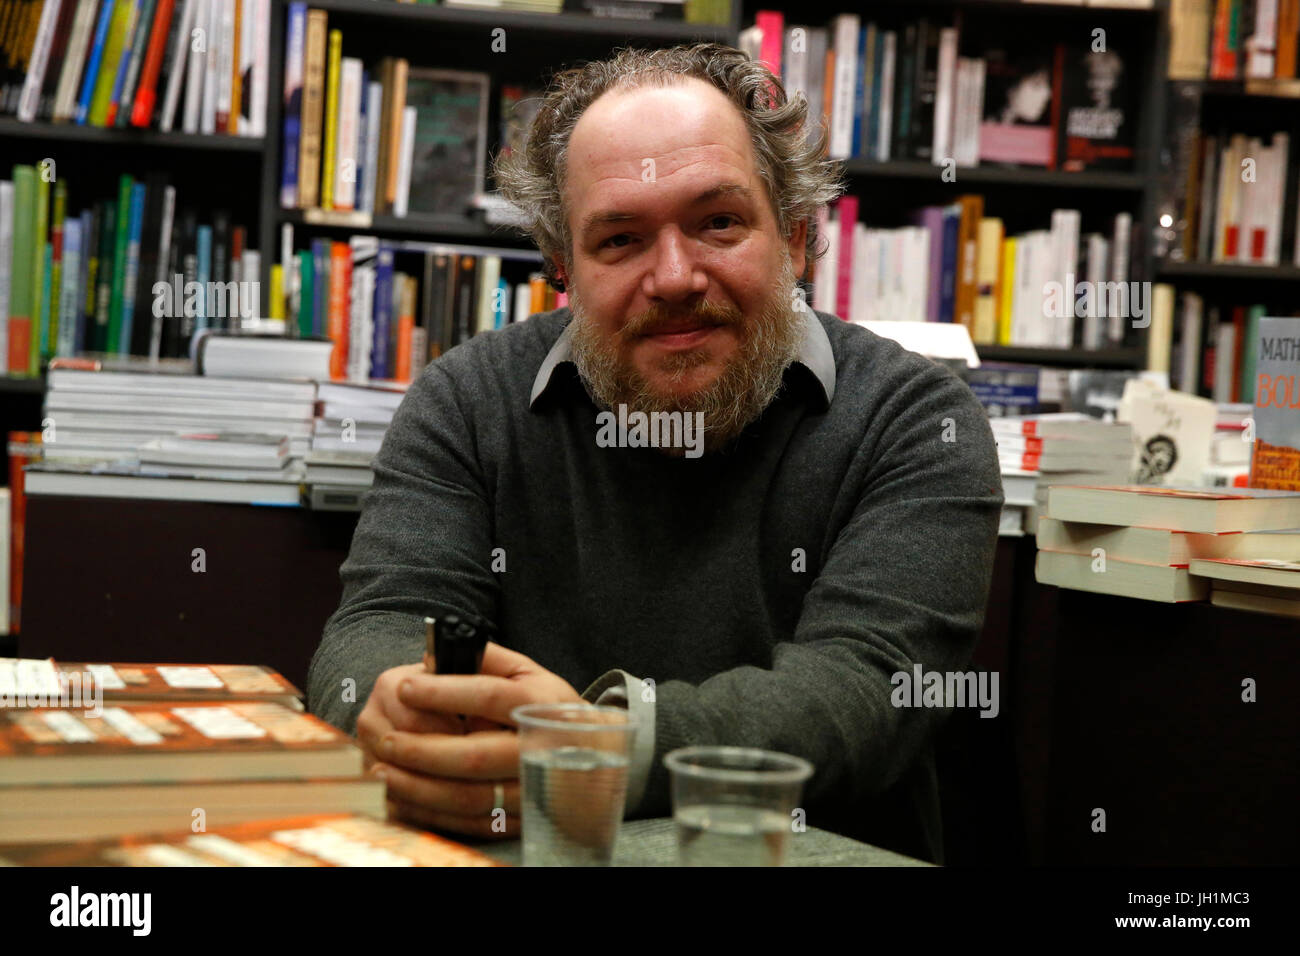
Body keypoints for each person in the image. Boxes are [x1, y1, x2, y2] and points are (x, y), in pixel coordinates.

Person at [307, 42, 1002, 863]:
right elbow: (378, 627)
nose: (674, 276)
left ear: (796, 236)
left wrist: (592, 750)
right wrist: (394, 704)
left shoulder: (917, 420)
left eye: (717, 222)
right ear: (562, 265)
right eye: (620, 239)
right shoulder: (465, 403)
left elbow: (864, 693)